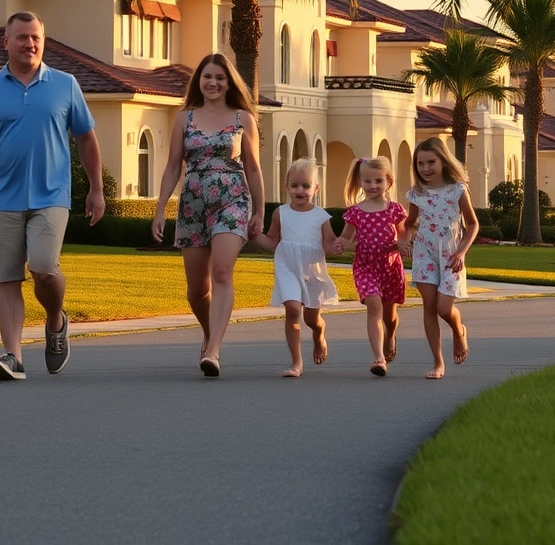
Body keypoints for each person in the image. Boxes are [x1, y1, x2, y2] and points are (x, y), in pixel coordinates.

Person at [0, 12, 104, 382]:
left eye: (35, 37)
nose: (30, 44)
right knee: (6, 278)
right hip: (0, 198)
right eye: (22, 37)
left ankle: (55, 319)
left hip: (51, 196)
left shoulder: (65, 85)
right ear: (6, 42)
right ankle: (13, 356)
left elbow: (86, 139)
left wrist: (96, 188)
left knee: (44, 269)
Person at [151, 53, 264, 377]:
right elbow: (174, 166)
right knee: (198, 290)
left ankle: (213, 349)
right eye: (207, 77)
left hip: (232, 200)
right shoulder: (184, 119)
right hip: (192, 203)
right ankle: (208, 332)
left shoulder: (243, 118)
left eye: (220, 77)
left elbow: (253, 168)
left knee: (222, 271)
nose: (213, 83)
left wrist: (259, 210)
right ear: (198, 82)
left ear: (229, 83)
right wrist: (160, 210)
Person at [404, 137, 478, 379]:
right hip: (424, 253)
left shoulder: (457, 189)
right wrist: (405, 239)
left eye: (431, 162)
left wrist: (461, 252)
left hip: (451, 255)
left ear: (444, 161)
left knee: (444, 308)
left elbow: (473, 224)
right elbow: (410, 223)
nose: (425, 168)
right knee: (429, 306)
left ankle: (458, 330)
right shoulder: (416, 193)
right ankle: (438, 363)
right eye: (420, 164)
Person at [262, 158, 338, 377]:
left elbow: (330, 243)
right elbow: (271, 240)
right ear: (286, 187)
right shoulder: (280, 213)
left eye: (306, 186)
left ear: (316, 188)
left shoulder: (321, 216)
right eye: (295, 185)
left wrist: (339, 245)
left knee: (311, 319)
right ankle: (296, 362)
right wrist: (254, 236)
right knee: (293, 310)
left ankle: (319, 332)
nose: (300, 190)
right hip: (287, 266)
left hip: (312, 271)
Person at [334, 156, 406, 377]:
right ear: (359, 182)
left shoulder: (395, 209)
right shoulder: (355, 211)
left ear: (389, 182)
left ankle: (390, 335)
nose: (372, 186)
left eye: (378, 181)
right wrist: (340, 243)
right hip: (365, 265)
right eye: (367, 181)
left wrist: (403, 245)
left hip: (390, 265)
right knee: (374, 305)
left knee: (389, 314)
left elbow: (403, 234)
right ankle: (378, 358)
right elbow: (346, 237)